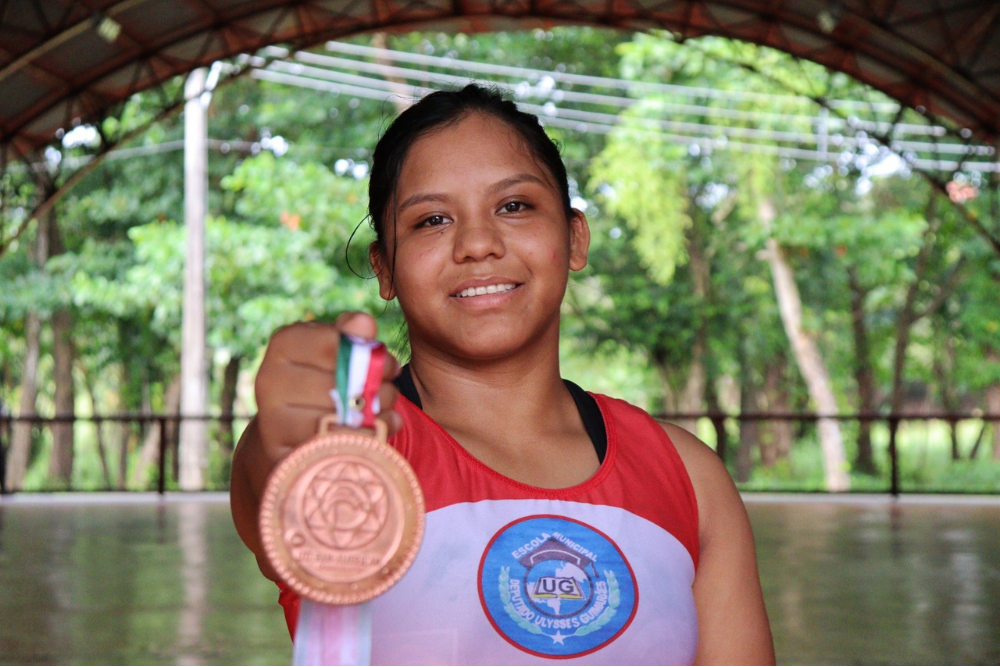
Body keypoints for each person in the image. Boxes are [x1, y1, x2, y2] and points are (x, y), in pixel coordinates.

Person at [231, 84, 775, 665]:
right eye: (433, 219)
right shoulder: (348, 450)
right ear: (384, 269)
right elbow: (275, 477)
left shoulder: (689, 477)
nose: (478, 244)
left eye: (514, 206)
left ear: (574, 238)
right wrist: (289, 432)